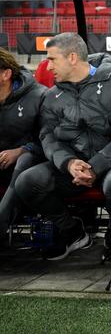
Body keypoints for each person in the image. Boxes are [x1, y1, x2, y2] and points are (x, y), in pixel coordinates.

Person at [14, 33, 111, 261]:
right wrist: (69, 163)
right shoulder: (52, 96)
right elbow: (48, 137)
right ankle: (73, 231)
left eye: (52, 59)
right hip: (73, 167)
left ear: (72, 57)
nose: (47, 65)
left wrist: (95, 166)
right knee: (27, 181)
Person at [0, 49, 46, 240]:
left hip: (29, 162)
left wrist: (21, 150)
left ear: (6, 74)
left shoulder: (40, 95)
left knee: (25, 159)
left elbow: (48, 139)